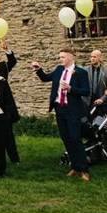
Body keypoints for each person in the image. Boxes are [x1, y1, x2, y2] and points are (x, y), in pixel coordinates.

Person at [32, 50, 92, 181]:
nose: (60, 59)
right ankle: (75, 167)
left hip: (73, 110)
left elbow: (86, 91)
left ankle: (84, 169)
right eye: (60, 57)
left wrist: (71, 89)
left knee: (75, 138)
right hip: (60, 109)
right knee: (66, 138)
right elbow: (45, 78)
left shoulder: (81, 72)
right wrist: (39, 70)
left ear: (71, 57)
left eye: (63, 57)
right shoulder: (59, 70)